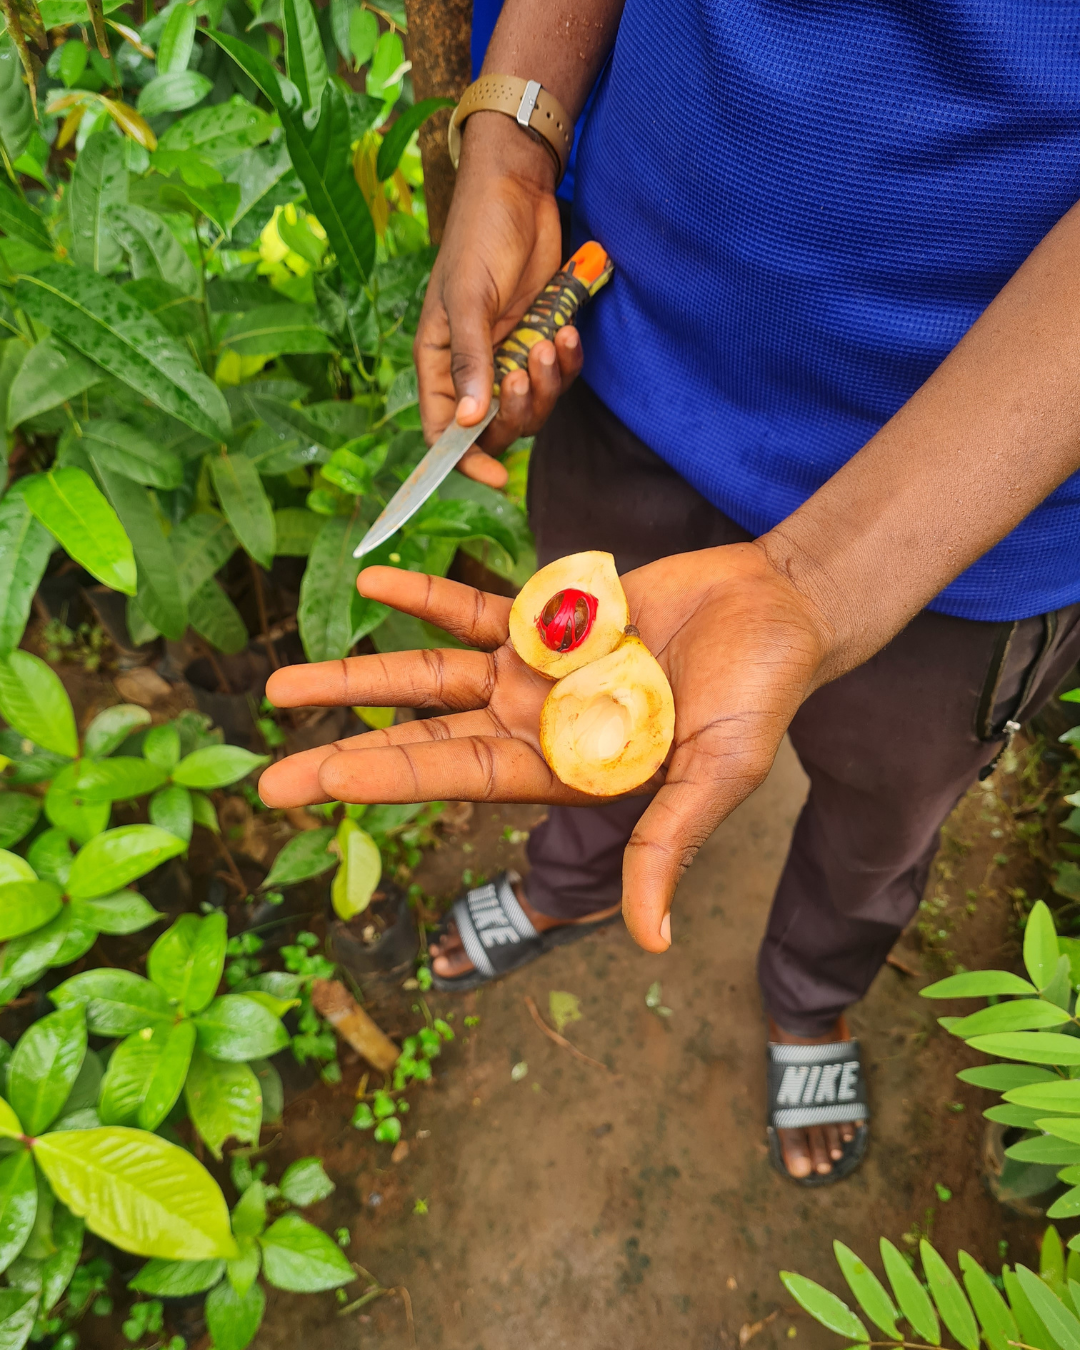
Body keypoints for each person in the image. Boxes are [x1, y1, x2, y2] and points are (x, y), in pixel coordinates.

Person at [259, 0, 1080, 1185]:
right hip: (644, 332)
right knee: (568, 711)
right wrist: (515, 134)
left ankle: (811, 990)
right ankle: (573, 879)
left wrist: (820, 580)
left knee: (882, 815)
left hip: (981, 493)